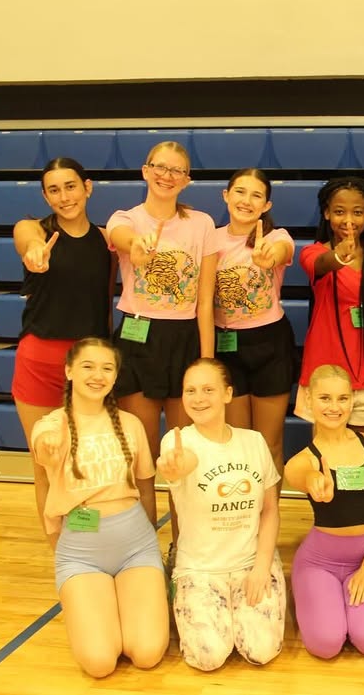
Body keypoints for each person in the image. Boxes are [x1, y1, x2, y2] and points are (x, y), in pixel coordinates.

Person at [30, 337, 167, 678]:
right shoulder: (51, 426)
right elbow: (43, 475)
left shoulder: (131, 424)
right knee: (100, 662)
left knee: (147, 653)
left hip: (136, 548)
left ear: (116, 376)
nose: (97, 375)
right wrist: (53, 538)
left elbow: (146, 489)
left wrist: (149, 539)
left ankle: (126, 603)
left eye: (107, 368)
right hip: (82, 553)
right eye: (88, 366)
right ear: (69, 371)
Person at [106, 141, 218, 528]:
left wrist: (207, 362)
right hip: (138, 336)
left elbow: (205, 302)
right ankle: (144, 548)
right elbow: (121, 236)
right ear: (145, 170)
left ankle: (185, 545)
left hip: (184, 338)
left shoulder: (202, 224)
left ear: (186, 180)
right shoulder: (126, 218)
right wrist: (135, 246)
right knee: (143, 454)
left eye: (177, 171)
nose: (167, 176)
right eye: (160, 167)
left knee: (182, 452)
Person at [157, 359, 284, 671]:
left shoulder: (253, 442)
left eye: (208, 390)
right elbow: (181, 463)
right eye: (190, 390)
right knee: (208, 657)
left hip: (250, 563)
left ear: (227, 394)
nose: (198, 398)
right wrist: (172, 467)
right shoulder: (178, 441)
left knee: (260, 651)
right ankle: (186, 594)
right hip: (200, 568)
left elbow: (270, 510)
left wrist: (261, 566)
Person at [13, 157, 114, 547]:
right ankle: (61, 554)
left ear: (87, 188)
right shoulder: (34, 230)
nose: (64, 196)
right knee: (46, 463)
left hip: (89, 366)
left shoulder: (105, 241)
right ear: (45, 196)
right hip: (39, 361)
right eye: (53, 190)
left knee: (85, 462)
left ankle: (86, 546)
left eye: (70, 186)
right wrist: (35, 252)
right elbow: (27, 241)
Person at [284, 365, 364, 658]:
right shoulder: (304, 459)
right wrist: (314, 481)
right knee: (326, 644)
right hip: (319, 563)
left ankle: (346, 607)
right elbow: (297, 474)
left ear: (352, 400)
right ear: (308, 399)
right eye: (325, 398)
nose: (334, 407)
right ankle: (316, 596)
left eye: (342, 398)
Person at [296, 177, 364, 432]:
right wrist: (339, 256)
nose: (348, 220)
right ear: (327, 213)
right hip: (325, 374)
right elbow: (322, 264)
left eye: (357, 212)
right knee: (328, 451)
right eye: (339, 212)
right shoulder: (314, 253)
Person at [210, 168, 296, 476]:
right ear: (226, 195)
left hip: (269, 344)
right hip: (226, 345)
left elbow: (282, 251)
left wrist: (269, 257)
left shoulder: (276, 237)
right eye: (240, 192)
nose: (247, 201)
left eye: (256, 195)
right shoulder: (211, 239)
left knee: (268, 444)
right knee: (238, 443)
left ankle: (270, 505)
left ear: (266, 205)